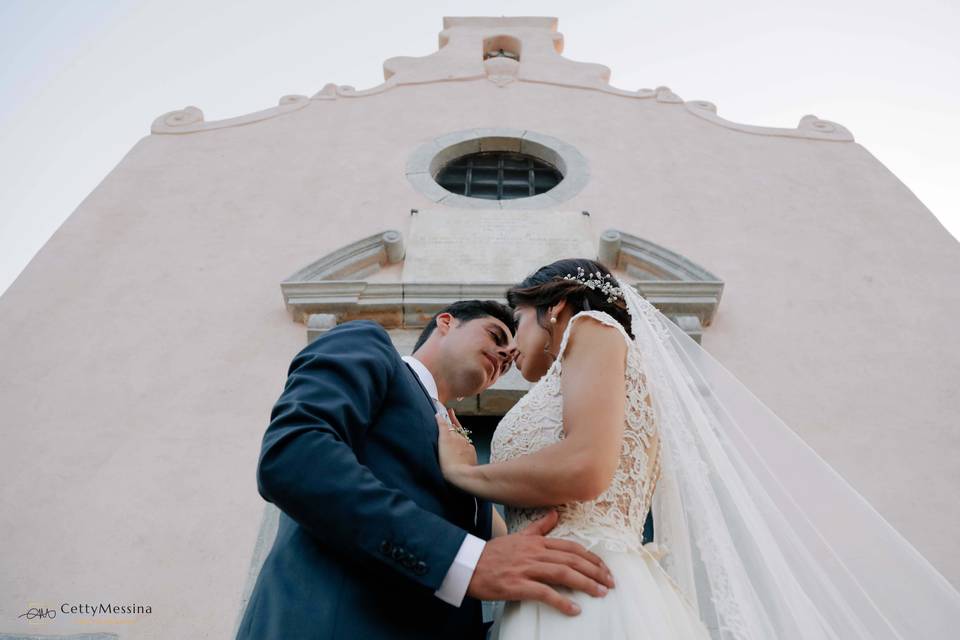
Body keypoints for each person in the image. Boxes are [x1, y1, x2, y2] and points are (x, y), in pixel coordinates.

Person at [438, 259, 960, 639]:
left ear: (554, 308)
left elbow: (585, 468)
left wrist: (464, 473)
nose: (511, 345)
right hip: (546, 578)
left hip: (587, 586)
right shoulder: (588, 374)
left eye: (519, 319)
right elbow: (536, 513)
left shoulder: (592, 329)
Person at [236, 300, 615, 640]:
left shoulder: (464, 454)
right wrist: (463, 560)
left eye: (509, 355)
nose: (504, 354)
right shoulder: (369, 345)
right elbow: (294, 456)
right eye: (496, 335)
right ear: (446, 322)